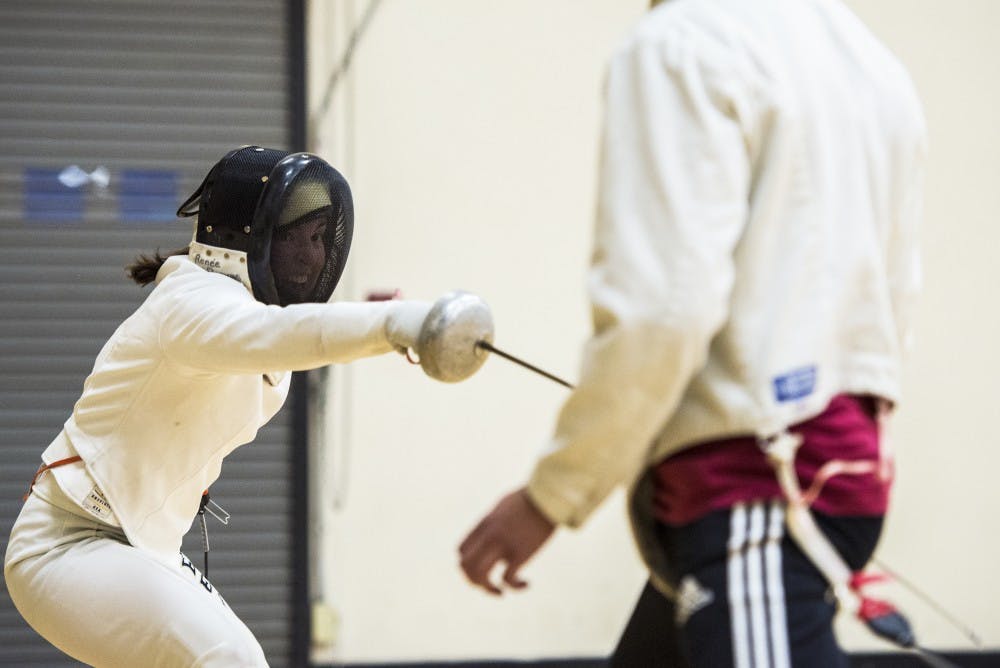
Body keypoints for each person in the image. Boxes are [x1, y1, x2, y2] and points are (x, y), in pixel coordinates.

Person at [458, 1, 926, 666]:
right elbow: (892, 300)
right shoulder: (868, 57)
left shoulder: (677, 45)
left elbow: (664, 308)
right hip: (836, 468)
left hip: (756, 485)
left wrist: (550, 495)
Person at [3, 146, 464, 667]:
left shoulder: (238, 312)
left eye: (320, 239)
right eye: (302, 238)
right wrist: (391, 324)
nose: (315, 257)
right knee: (229, 657)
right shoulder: (189, 302)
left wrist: (368, 321)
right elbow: (271, 336)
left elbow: (279, 337)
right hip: (66, 547)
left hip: (141, 550)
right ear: (256, 239)